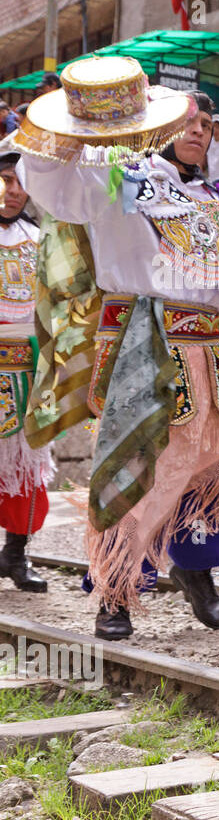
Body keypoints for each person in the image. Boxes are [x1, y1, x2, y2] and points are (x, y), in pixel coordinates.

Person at [18, 62, 219, 639]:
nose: (198, 131)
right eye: (188, 120)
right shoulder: (119, 175)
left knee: (215, 463)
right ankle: (117, 588)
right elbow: (59, 190)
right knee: (141, 463)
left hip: (207, 346)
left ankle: (195, 566)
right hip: (141, 339)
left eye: (207, 124)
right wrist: (72, 131)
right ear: (158, 125)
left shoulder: (214, 201)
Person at [0, 148, 52, 593]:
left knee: (27, 463)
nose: (11, 190)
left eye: (18, 181)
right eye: (4, 180)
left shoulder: (41, 239)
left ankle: (16, 553)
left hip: (28, 363)